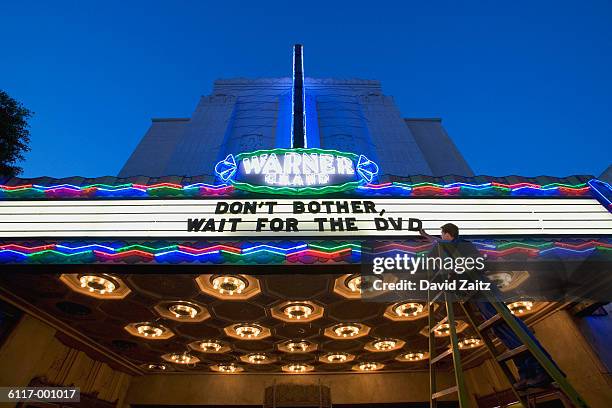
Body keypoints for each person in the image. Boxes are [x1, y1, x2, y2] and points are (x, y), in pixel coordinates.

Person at [419, 223, 554, 390]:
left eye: (442, 234)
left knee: (509, 326)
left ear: (448, 234)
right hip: (477, 294)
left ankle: (542, 369)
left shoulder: (462, 244)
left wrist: (427, 236)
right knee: (501, 331)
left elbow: (446, 248)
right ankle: (526, 373)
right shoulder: (451, 248)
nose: (440, 237)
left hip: (483, 288)